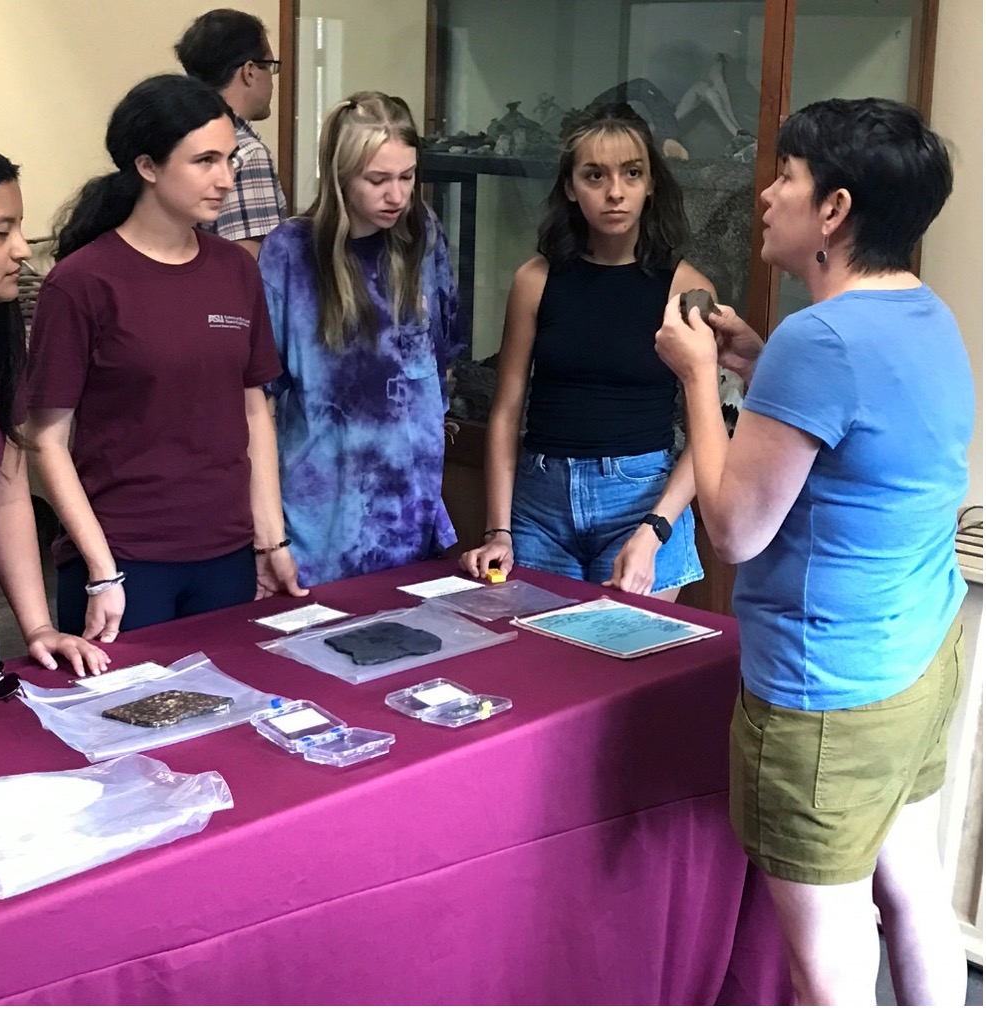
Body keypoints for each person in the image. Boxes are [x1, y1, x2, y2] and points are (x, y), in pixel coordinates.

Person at [654, 97, 973, 1005]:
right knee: (913, 897)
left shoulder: (819, 338)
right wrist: (758, 367)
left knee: (825, 964)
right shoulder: (924, 313)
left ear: (833, 210)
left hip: (827, 689)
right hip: (917, 654)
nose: (765, 194)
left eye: (786, 176)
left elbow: (731, 527)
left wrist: (700, 378)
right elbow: (860, 444)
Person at [25, 74, 305, 643]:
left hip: (227, 554)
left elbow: (254, 411)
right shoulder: (81, 283)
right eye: (205, 161)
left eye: (229, 159)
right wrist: (102, 571)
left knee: (231, 721)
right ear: (147, 166)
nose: (226, 179)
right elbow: (45, 439)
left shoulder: (236, 270)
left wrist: (271, 540)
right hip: (124, 562)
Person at [459, 103, 710, 599]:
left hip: (641, 502)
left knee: (623, 663)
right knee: (537, 667)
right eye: (595, 175)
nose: (615, 192)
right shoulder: (535, 280)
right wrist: (497, 529)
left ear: (651, 184)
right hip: (539, 506)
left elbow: (708, 431)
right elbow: (507, 412)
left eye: (631, 174)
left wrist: (656, 528)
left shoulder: (686, 288)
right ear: (571, 188)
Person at [259, 92, 465, 586]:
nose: (397, 196)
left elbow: (439, 361)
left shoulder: (424, 235)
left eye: (408, 177)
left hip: (411, 513)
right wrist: (269, 537)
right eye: (377, 180)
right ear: (339, 176)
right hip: (320, 522)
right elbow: (258, 405)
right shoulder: (289, 252)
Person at [0, 151, 107, 675]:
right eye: (0, 232)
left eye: (19, 229)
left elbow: (7, 490)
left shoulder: (0, 332)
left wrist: (39, 627)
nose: (21, 250)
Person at [175, 8, 286, 258]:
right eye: (270, 66)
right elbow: (249, 267)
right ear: (249, 71)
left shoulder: (176, 142)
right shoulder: (246, 154)